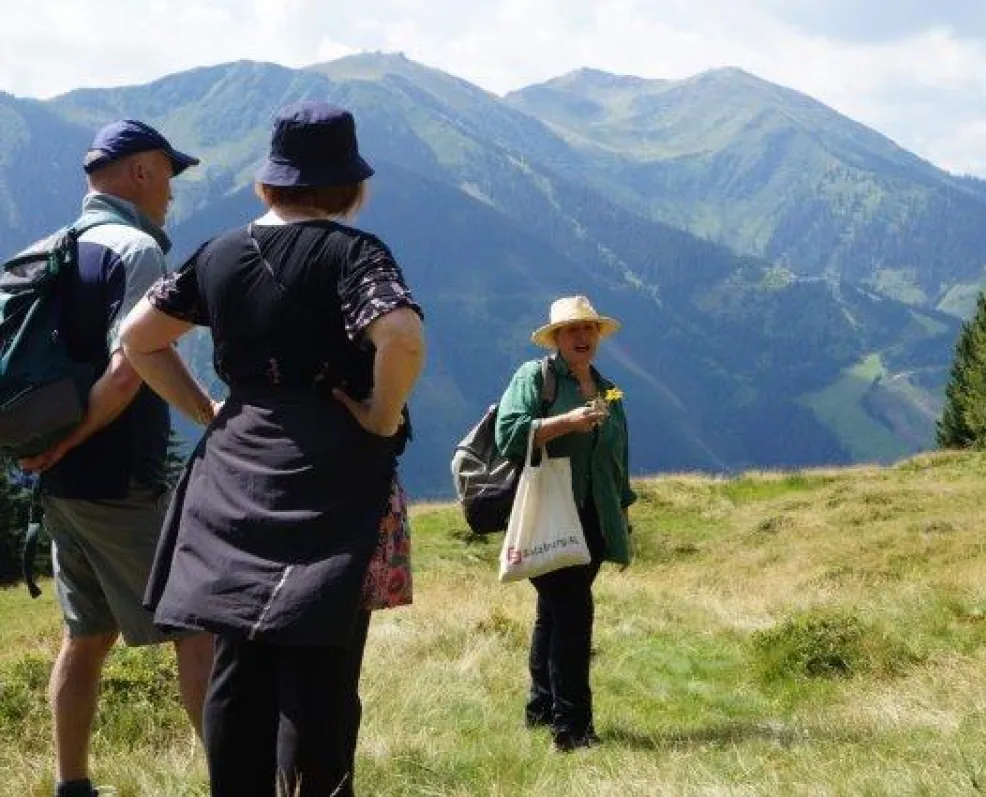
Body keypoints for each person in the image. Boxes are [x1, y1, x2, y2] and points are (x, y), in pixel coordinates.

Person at [119, 101, 424, 796]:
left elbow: (139, 339)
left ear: (270, 180)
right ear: (348, 185)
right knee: (321, 665)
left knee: (238, 664)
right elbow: (401, 336)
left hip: (232, 476)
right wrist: (379, 414)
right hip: (333, 476)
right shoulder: (355, 254)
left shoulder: (218, 254)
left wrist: (205, 409)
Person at [14, 119, 213, 797]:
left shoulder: (47, 250)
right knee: (195, 621)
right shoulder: (138, 251)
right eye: (169, 179)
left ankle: (72, 784)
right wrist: (208, 417)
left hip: (59, 482)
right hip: (118, 478)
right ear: (142, 172)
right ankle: (237, 780)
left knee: (88, 633)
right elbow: (132, 368)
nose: (171, 198)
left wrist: (53, 444)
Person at [495, 295, 636, 752]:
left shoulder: (609, 389)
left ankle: (540, 710)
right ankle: (573, 730)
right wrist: (564, 423)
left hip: (595, 519)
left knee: (554, 614)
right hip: (550, 515)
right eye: (572, 330)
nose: (582, 337)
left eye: (589, 329)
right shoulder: (534, 379)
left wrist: (624, 510)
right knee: (574, 614)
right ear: (556, 338)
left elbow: (619, 452)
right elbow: (509, 435)